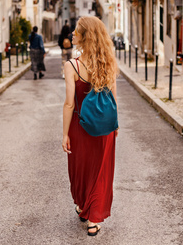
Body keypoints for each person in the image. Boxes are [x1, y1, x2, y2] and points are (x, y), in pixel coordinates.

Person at [61, 16, 118, 237]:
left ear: (85, 37)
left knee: (81, 169)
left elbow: (69, 103)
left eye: (76, 31)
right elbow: (113, 96)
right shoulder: (108, 62)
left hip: (80, 125)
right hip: (105, 125)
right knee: (101, 171)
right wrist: (116, 123)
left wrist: (65, 133)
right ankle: (93, 217)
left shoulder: (72, 66)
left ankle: (86, 210)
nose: (72, 34)